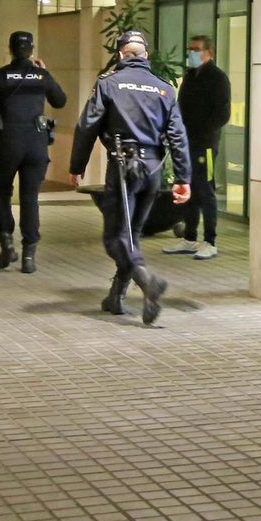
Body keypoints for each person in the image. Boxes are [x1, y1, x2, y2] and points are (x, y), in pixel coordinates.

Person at [68, 30, 191, 325]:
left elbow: (87, 127)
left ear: (120, 54)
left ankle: (146, 280)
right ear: (145, 56)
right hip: (152, 169)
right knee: (131, 234)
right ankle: (116, 296)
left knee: (114, 237)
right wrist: (183, 177)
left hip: (123, 167)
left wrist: (77, 165)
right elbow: (178, 135)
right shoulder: (164, 89)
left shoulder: (108, 84)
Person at [0, 31, 67, 274]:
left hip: (8, 143)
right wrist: (45, 73)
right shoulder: (41, 75)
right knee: (30, 199)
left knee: (2, 194)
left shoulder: (1, 75)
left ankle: (7, 245)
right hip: (36, 144)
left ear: (10, 50)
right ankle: (29, 256)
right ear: (32, 50)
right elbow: (60, 101)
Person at [163, 35, 231, 261]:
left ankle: (210, 241)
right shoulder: (190, 77)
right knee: (188, 190)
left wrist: (203, 134)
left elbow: (222, 114)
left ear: (209, 53)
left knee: (206, 191)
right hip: (186, 144)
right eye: (189, 49)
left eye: (196, 49)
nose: (191, 53)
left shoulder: (218, 78)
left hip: (206, 147)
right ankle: (189, 238)